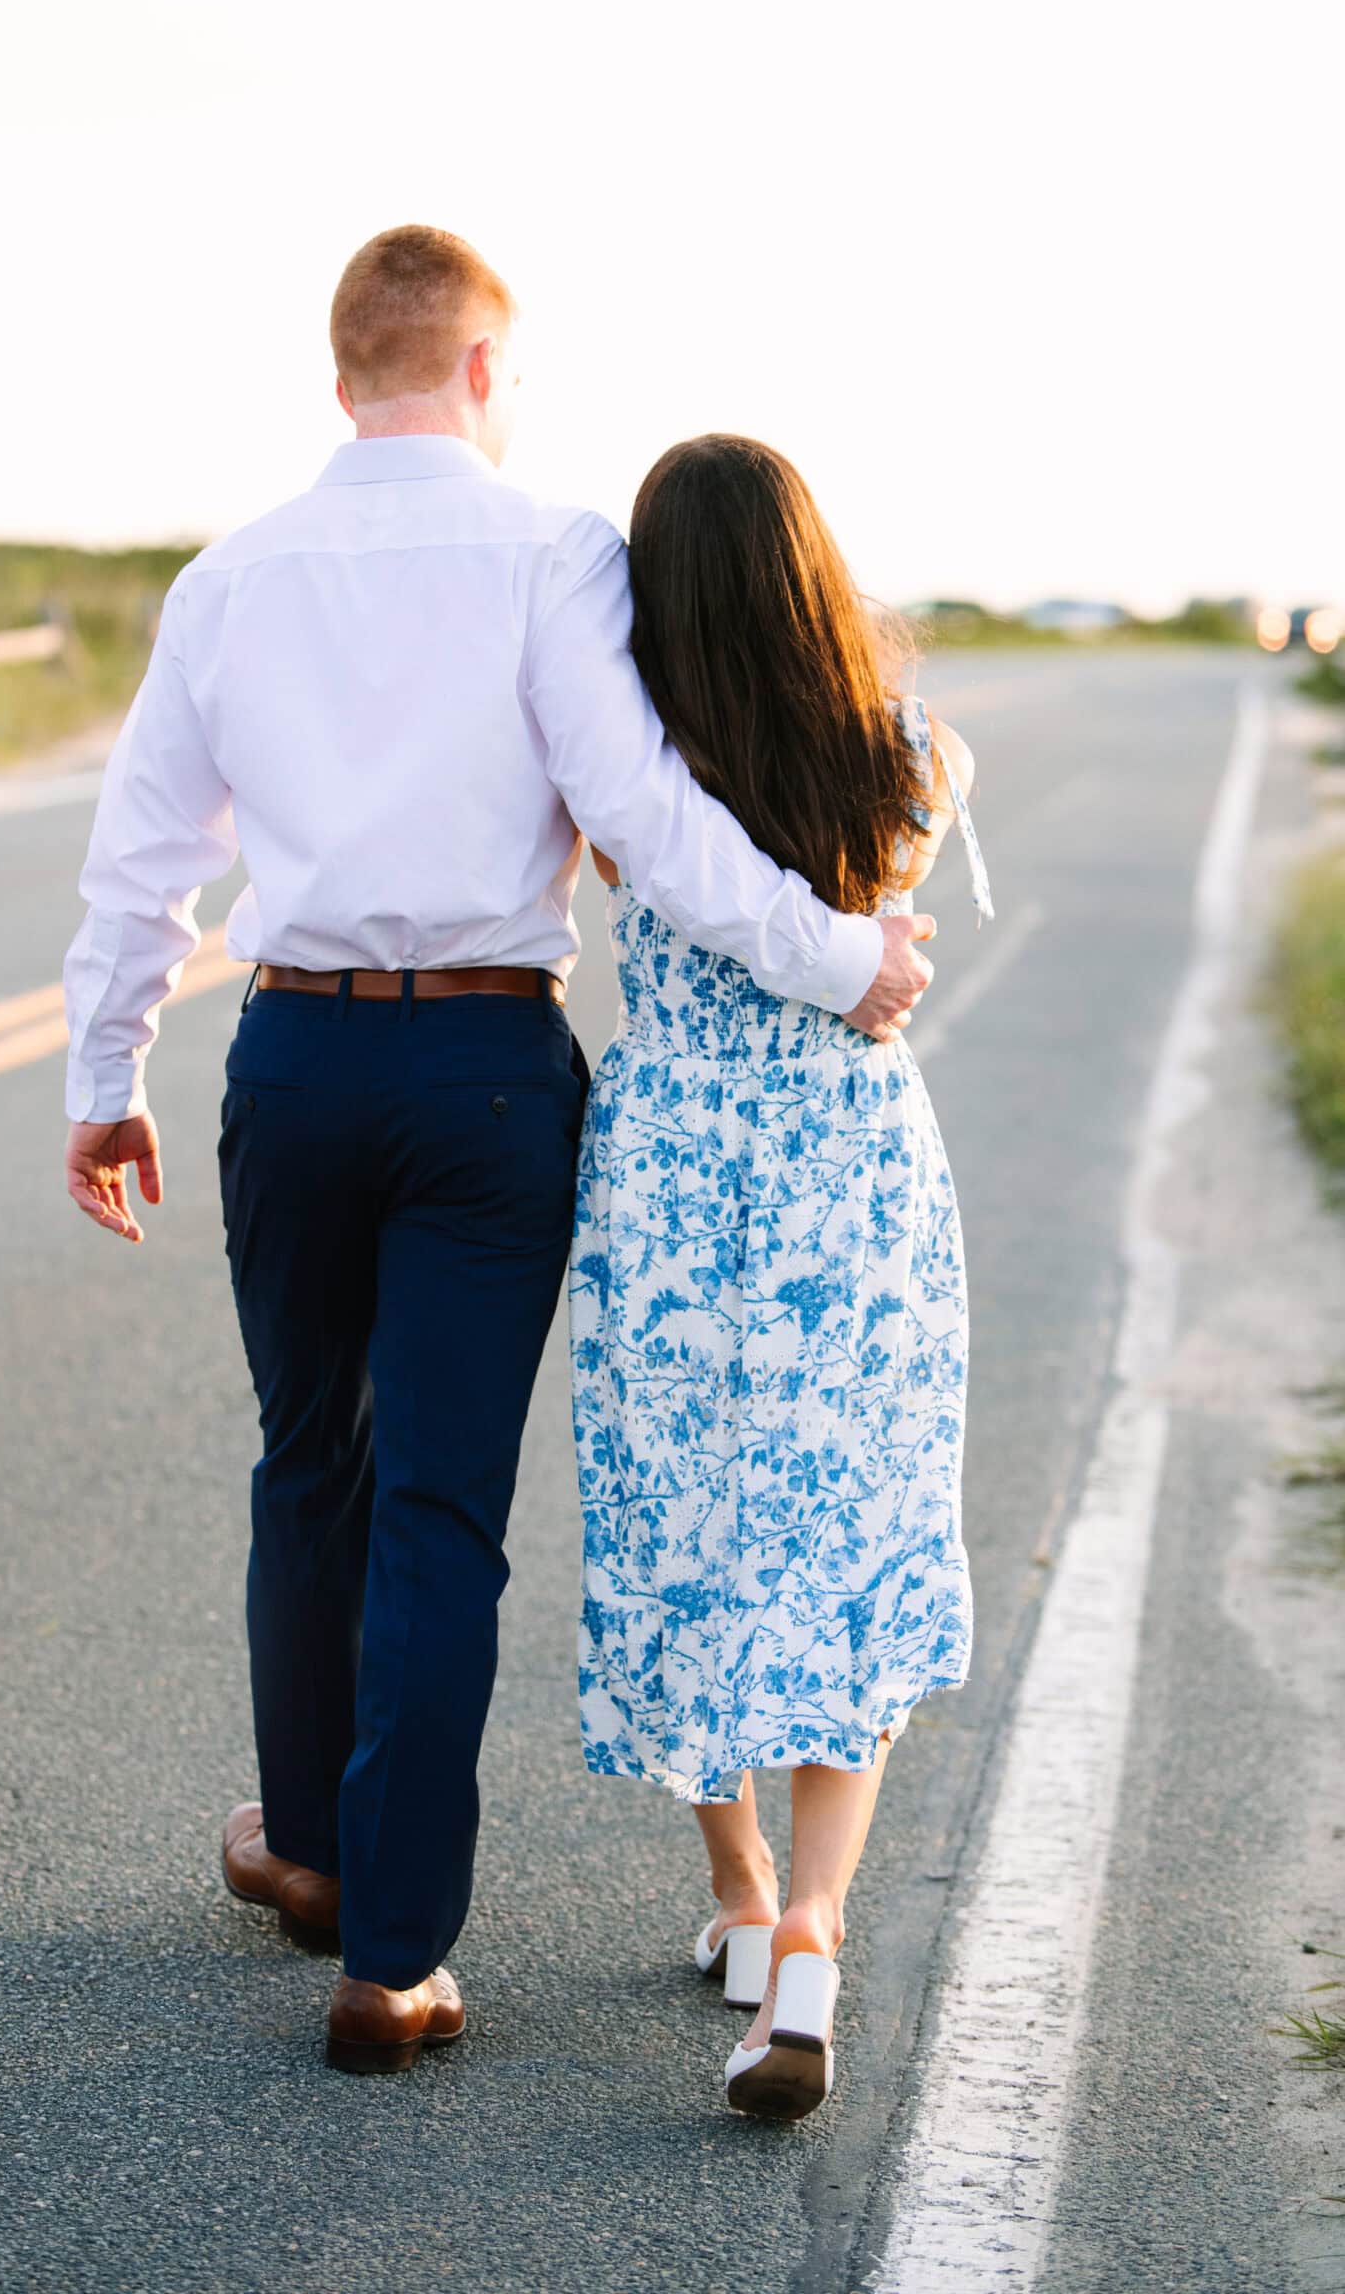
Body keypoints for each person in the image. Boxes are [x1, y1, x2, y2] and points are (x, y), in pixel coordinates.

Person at [59, 230, 936, 2075]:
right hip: (478, 1073)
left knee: (310, 1465)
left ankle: (302, 1846)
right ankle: (387, 1956)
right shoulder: (550, 553)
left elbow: (145, 857)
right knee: (439, 1507)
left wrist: (102, 1071)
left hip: (287, 1058)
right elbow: (651, 821)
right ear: (479, 369)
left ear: (341, 376)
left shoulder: (226, 577)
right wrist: (844, 955)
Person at [570, 433, 992, 2122]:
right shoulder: (913, 753)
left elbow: (644, 878)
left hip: (672, 1176)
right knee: (851, 1532)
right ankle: (811, 1929)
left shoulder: (633, 773)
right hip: (852, 1179)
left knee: (687, 1522)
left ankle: (738, 1894)